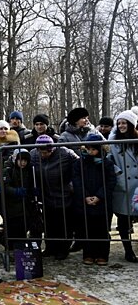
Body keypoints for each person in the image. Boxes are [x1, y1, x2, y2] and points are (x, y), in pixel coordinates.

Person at [30, 135, 80, 260]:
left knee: (63, 223)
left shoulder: (65, 153)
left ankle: (63, 249)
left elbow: (79, 164)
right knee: (49, 223)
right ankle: (50, 247)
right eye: (41, 151)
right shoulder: (33, 154)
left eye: (47, 151)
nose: (44, 154)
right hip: (45, 194)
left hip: (64, 194)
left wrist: (74, 183)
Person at [72, 134, 115, 266]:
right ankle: (88, 254)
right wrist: (85, 196)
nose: (90, 152)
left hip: (102, 202)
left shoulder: (107, 163)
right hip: (85, 201)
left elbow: (110, 181)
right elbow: (77, 180)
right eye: (88, 149)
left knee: (102, 229)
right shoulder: (80, 162)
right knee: (87, 228)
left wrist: (99, 196)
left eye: (93, 149)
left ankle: (102, 254)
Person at [108, 110, 138, 262]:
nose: (121, 125)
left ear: (131, 124)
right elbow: (109, 160)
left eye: (124, 122)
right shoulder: (113, 141)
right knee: (123, 220)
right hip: (123, 186)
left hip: (136, 186)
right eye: (119, 123)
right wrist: (118, 173)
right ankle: (128, 250)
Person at [0, 149, 38, 250]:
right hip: (13, 204)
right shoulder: (9, 170)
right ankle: (11, 246)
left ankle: (21, 247)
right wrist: (16, 191)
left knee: (25, 227)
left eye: (25, 161)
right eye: (21, 160)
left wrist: (32, 191)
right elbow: (5, 187)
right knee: (14, 227)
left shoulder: (30, 171)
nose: (23, 163)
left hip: (26, 204)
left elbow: (31, 185)